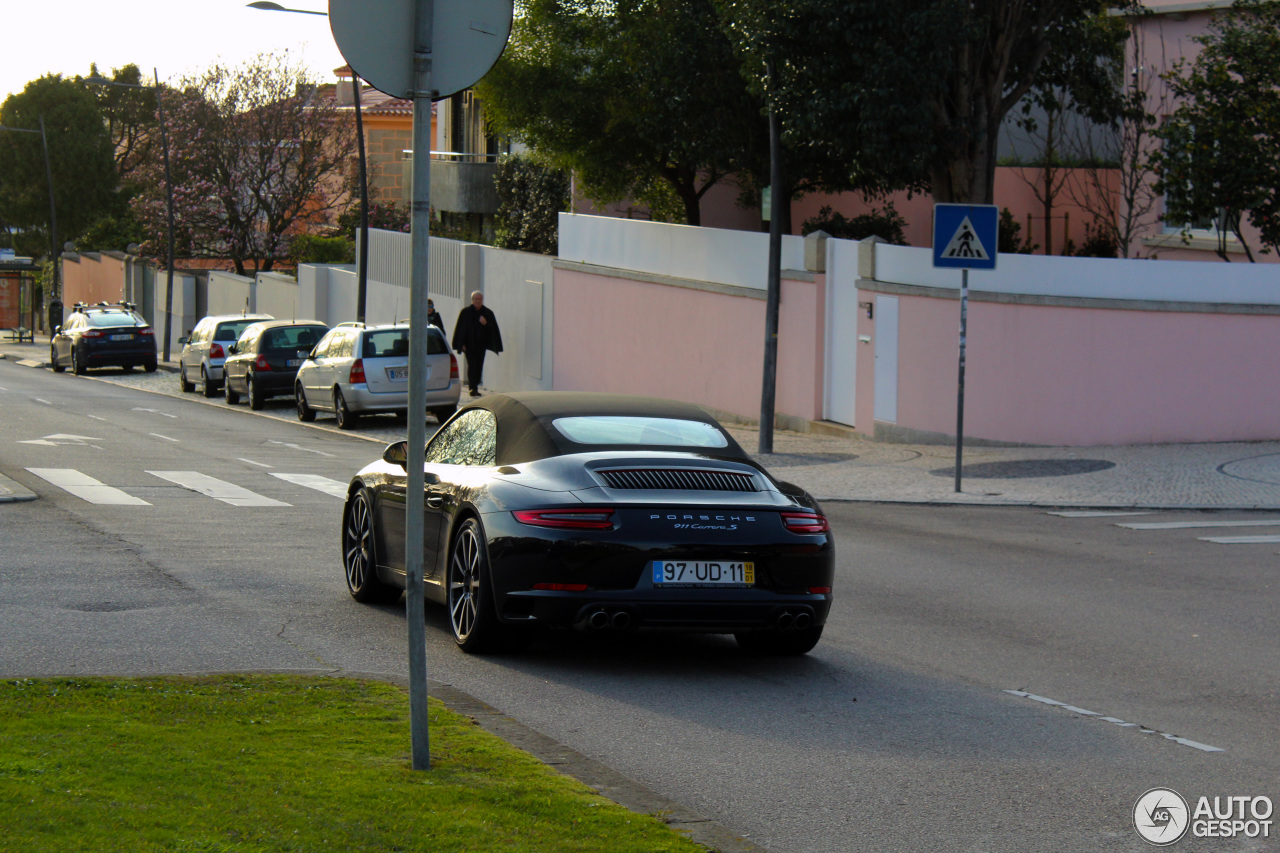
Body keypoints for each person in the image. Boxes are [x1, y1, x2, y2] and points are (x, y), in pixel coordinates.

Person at [451, 290, 502, 397]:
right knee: (472, 365)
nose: (478, 301)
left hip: (481, 345)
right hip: (469, 346)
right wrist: (461, 344)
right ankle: (472, 388)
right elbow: (460, 329)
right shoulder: (466, 312)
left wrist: (485, 323)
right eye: (476, 299)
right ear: (472, 300)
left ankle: (476, 385)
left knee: (479, 366)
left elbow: (493, 330)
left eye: (480, 299)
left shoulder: (487, 313)